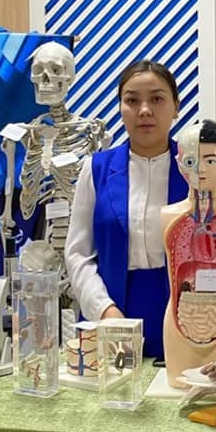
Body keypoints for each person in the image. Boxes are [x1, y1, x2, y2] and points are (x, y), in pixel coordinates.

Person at [65, 60, 188, 361]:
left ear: (176, 106)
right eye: (132, 100)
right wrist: (105, 311)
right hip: (112, 312)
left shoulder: (196, 170)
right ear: (120, 108)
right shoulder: (96, 170)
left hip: (182, 316)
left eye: (157, 99)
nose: (144, 110)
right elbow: (78, 253)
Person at [161, 119, 216, 387]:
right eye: (191, 161)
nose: (200, 169)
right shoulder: (168, 215)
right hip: (179, 320)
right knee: (179, 382)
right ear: (179, 164)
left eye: (210, 160)